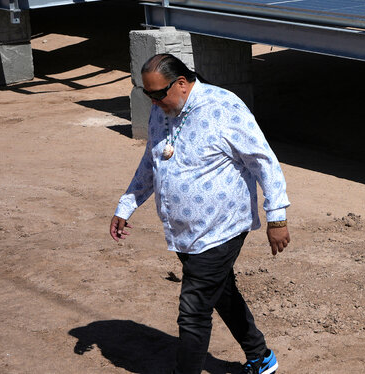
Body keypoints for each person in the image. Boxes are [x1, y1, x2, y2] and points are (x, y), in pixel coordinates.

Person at [110, 53, 290, 374]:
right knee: (221, 292)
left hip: (222, 226)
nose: (153, 102)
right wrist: (127, 204)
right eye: (146, 94)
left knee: (193, 309)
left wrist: (276, 216)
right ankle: (261, 357)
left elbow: (263, 161)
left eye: (158, 94)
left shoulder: (224, 108)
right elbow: (152, 162)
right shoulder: (161, 111)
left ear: (181, 83)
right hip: (184, 231)